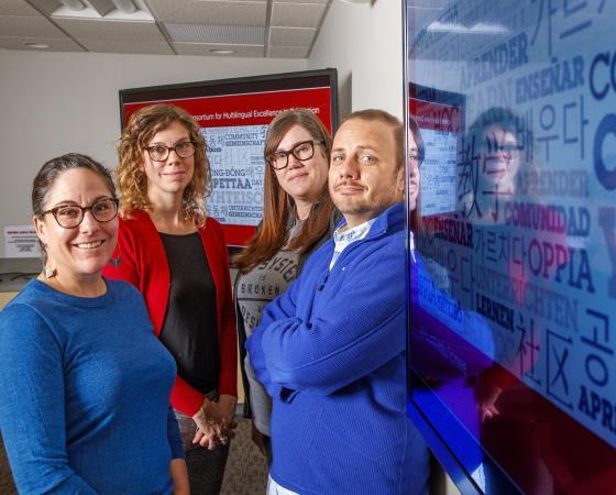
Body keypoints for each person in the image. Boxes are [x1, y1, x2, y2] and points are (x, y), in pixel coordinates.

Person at [246, 109, 429, 494]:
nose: (348, 170)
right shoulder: (331, 250)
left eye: (368, 158)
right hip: (290, 472)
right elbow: (264, 328)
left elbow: (304, 361)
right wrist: (291, 367)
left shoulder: (399, 261)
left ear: (402, 178)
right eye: (341, 157)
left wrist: (291, 368)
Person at [0, 154, 188, 494]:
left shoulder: (128, 298)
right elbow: (41, 478)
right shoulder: (27, 323)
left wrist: (181, 485)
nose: (89, 225)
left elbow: (157, 407)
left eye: (101, 207)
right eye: (68, 212)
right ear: (41, 228)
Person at [105, 104, 237, 494]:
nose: (173, 158)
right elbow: (129, 340)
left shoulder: (211, 231)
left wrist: (227, 396)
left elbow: (224, 319)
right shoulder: (124, 232)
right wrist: (194, 407)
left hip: (212, 405)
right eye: (158, 149)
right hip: (157, 407)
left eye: (183, 146)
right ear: (139, 160)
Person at [233, 109, 337, 462]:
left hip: (310, 409)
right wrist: (256, 409)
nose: (291, 162)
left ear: (325, 150)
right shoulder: (273, 232)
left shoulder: (341, 231)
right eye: (279, 156)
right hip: (266, 409)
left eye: (302, 149)